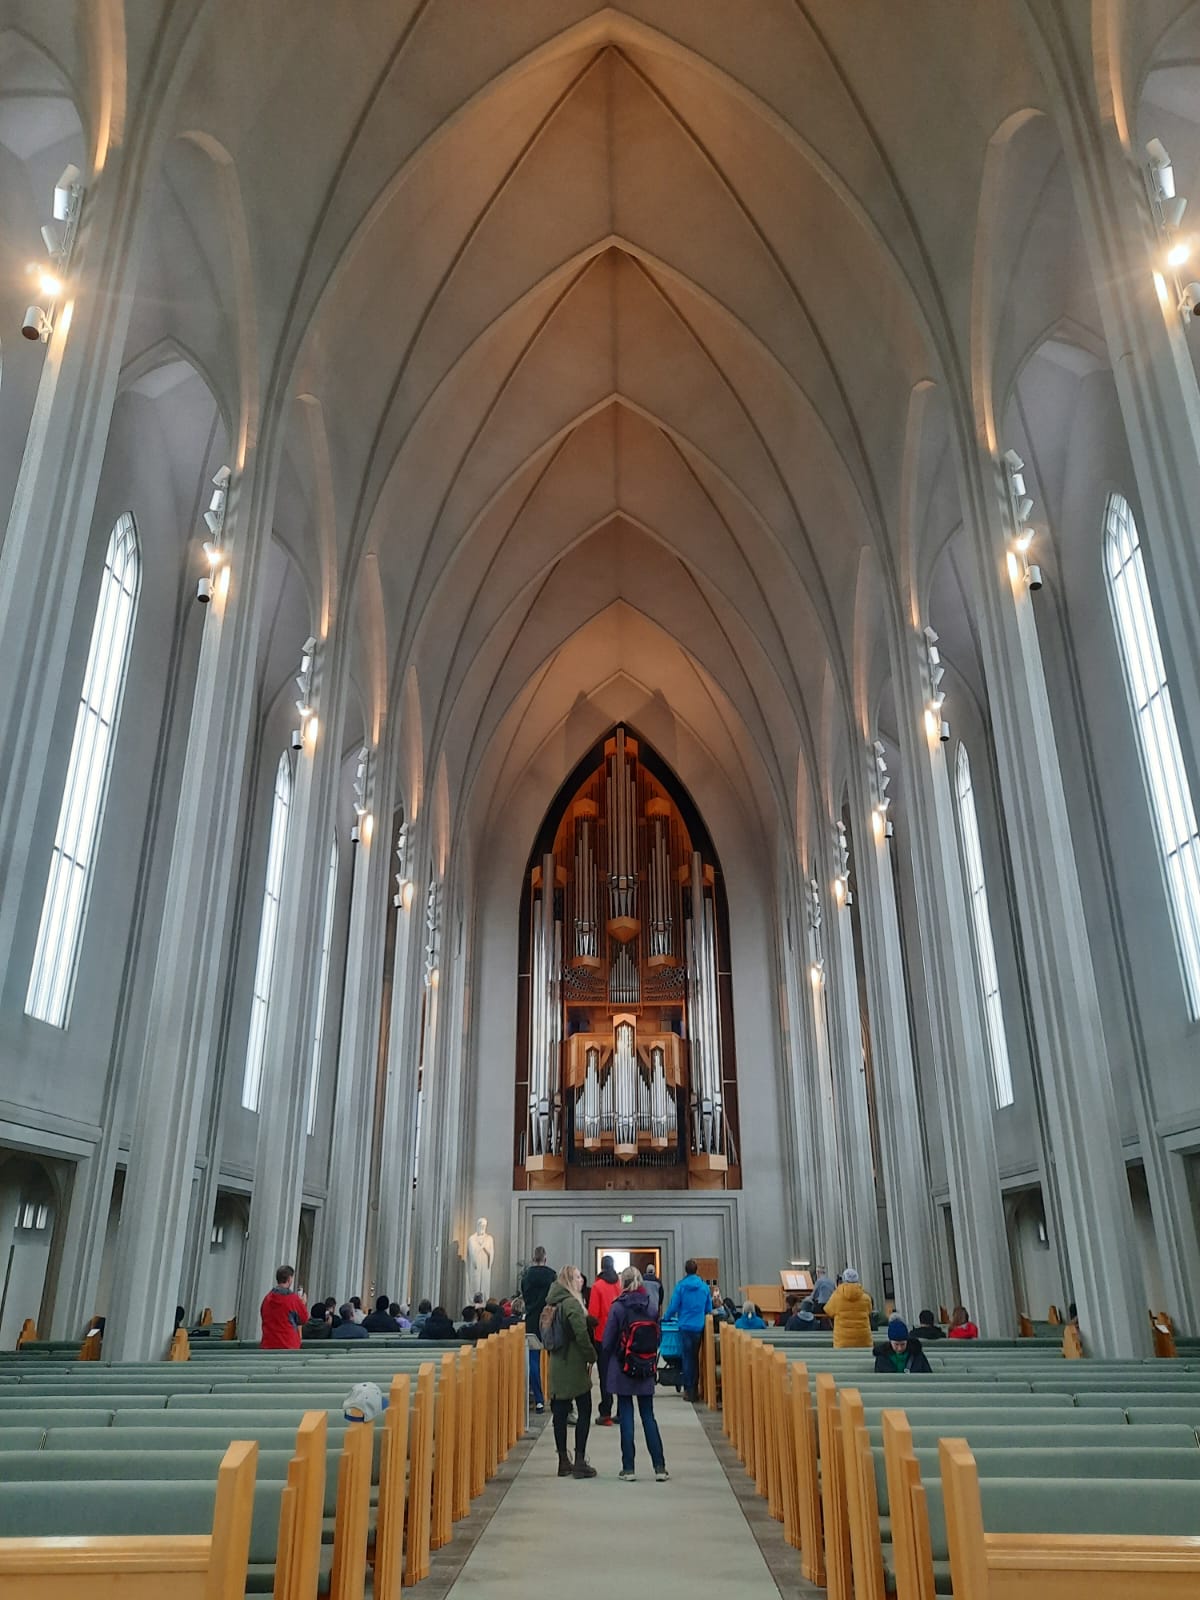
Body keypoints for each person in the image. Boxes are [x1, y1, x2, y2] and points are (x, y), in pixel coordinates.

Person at [601, 1266, 669, 1482]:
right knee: (649, 1416)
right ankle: (660, 1467)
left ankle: (628, 1468)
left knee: (627, 1416)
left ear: (623, 1282)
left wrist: (612, 1353)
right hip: (646, 1366)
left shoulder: (618, 1307)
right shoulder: (650, 1306)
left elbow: (608, 1340)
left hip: (623, 1367)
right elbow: (657, 1335)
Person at [545, 1264, 597, 1479]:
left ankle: (562, 1461)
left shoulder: (552, 1303)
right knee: (584, 1409)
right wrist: (591, 1356)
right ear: (568, 1280)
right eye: (577, 1277)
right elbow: (580, 1334)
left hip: (557, 1362)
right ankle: (580, 1460)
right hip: (573, 1363)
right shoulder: (571, 1304)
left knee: (559, 1413)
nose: (581, 1280)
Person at [665, 1257, 712, 1402]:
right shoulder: (704, 1287)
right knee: (695, 1358)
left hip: (685, 1326)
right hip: (698, 1327)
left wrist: (666, 1317)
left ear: (686, 1270)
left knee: (687, 1358)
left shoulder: (681, 1286)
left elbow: (673, 1306)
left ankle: (688, 1389)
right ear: (696, 1270)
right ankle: (695, 1389)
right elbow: (708, 1309)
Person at [588, 1255, 622, 1425]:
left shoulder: (597, 1286)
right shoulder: (619, 1284)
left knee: (605, 1376)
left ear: (601, 1267)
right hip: (620, 1335)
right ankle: (622, 1412)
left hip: (603, 1336)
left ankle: (606, 1413)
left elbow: (593, 1314)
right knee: (620, 1373)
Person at [522, 1245, 555, 1415]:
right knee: (554, 1358)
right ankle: (555, 1395)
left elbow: (525, 1296)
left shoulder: (526, 1276)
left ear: (533, 1258)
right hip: (549, 1321)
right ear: (545, 1258)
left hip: (532, 1320)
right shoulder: (551, 1275)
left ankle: (540, 1400)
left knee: (533, 1361)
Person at [821, 1266, 874, 1349]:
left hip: (842, 1341)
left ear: (844, 1280)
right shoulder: (866, 1298)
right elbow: (869, 1312)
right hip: (863, 1340)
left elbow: (828, 1311)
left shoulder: (836, 1296)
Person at [260, 1264, 307, 1351]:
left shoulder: (267, 1299)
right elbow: (303, 1319)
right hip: (288, 1345)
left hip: (268, 1345)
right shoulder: (293, 1299)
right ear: (289, 1279)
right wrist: (303, 1304)